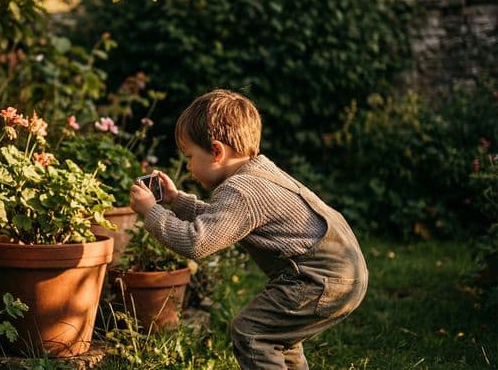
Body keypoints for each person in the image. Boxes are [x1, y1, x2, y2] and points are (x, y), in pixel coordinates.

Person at [129, 89, 368, 370]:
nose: (189, 166)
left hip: (319, 278)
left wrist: (151, 211)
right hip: (342, 271)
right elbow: (220, 223)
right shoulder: (257, 174)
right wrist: (176, 200)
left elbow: (196, 242)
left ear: (216, 152)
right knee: (278, 338)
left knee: (252, 333)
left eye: (190, 156)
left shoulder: (240, 190)